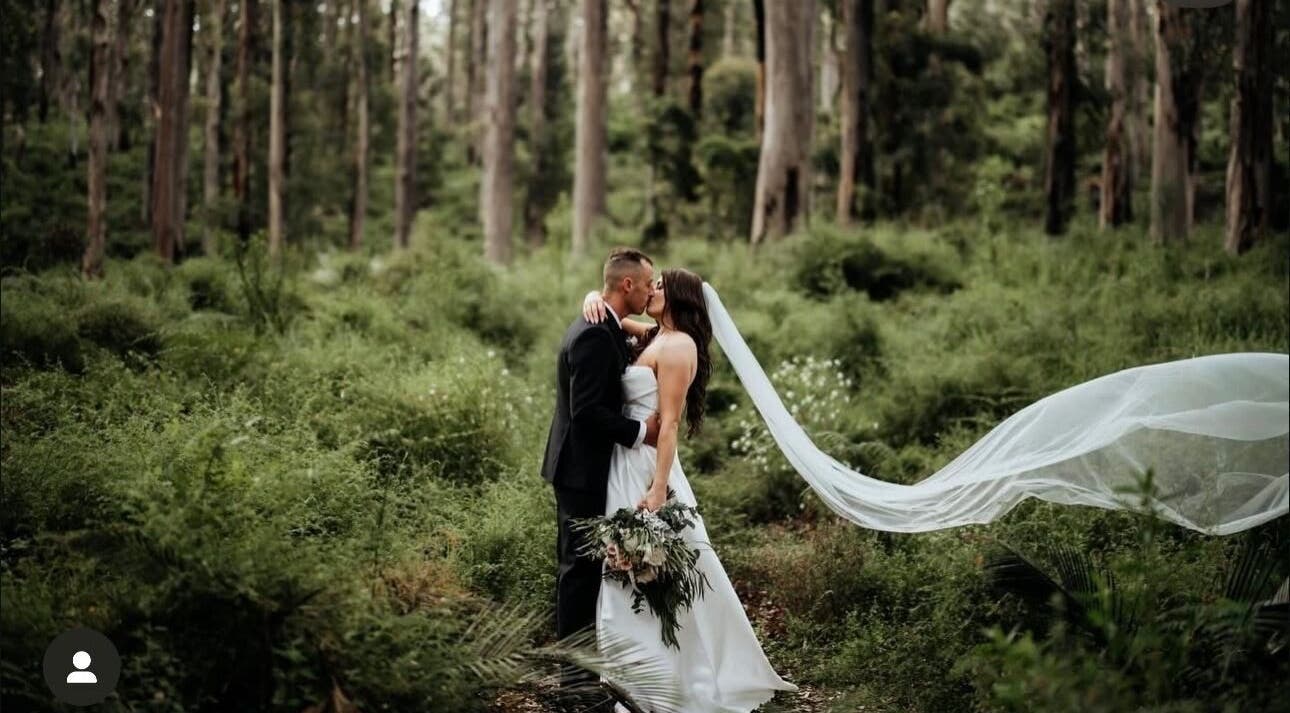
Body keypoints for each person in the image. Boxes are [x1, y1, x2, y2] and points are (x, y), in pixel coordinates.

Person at [581, 266, 798, 713]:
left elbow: (671, 423)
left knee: (657, 570)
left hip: (647, 469)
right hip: (623, 464)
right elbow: (615, 316)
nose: (651, 290)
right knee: (625, 566)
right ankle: (635, 679)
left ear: (679, 296)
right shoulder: (655, 336)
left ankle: (674, 682)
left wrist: (659, 488)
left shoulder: (680, 345)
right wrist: (591, 296)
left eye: (660, 285)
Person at [540, 248, 662, 707]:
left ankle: (586, 675)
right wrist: (641, 432)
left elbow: (643, 330)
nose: (650, 291)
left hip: (590, 468)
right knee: (577, 574)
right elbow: (587, 411)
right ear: (628, 285)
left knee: (587, 570)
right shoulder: (594, 333)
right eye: (647, 283)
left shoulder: (606, 323)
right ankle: (573, 685)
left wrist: (595, 296)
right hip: (580, 470)